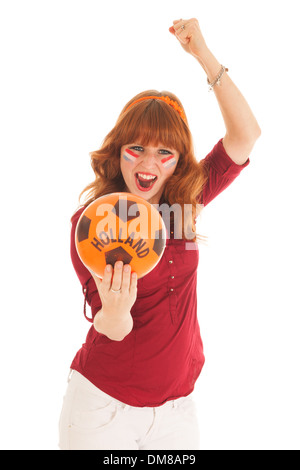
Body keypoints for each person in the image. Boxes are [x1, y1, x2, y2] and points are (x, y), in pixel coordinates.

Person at [58, 18, 261, 450]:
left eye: (164, 152)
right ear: (118, 152)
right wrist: (116, 309)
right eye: (137, 148)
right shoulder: (92, 223)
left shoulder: (184, 205)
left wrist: (202, 53)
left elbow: (246, 135)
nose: (148, 164)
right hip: (103, 409)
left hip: (177, 411)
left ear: (177, 162)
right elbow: (111, 329)